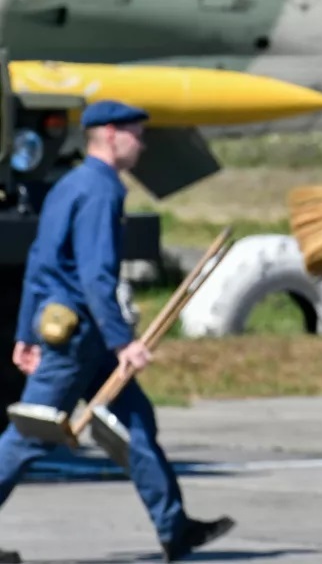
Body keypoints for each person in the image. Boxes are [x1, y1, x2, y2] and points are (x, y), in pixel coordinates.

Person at [0, 100, 235, 563]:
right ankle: (175, 527)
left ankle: (175, 528)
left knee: (135, 426)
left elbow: (40, 261)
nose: (142, 143)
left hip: (74, 335)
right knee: (27, 437)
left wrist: (27, 331)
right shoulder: (101, 190)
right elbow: (95, 276)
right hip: (80, 337)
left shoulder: (69, 186)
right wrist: (123, 342)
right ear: (110, 134)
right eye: (135, 133)